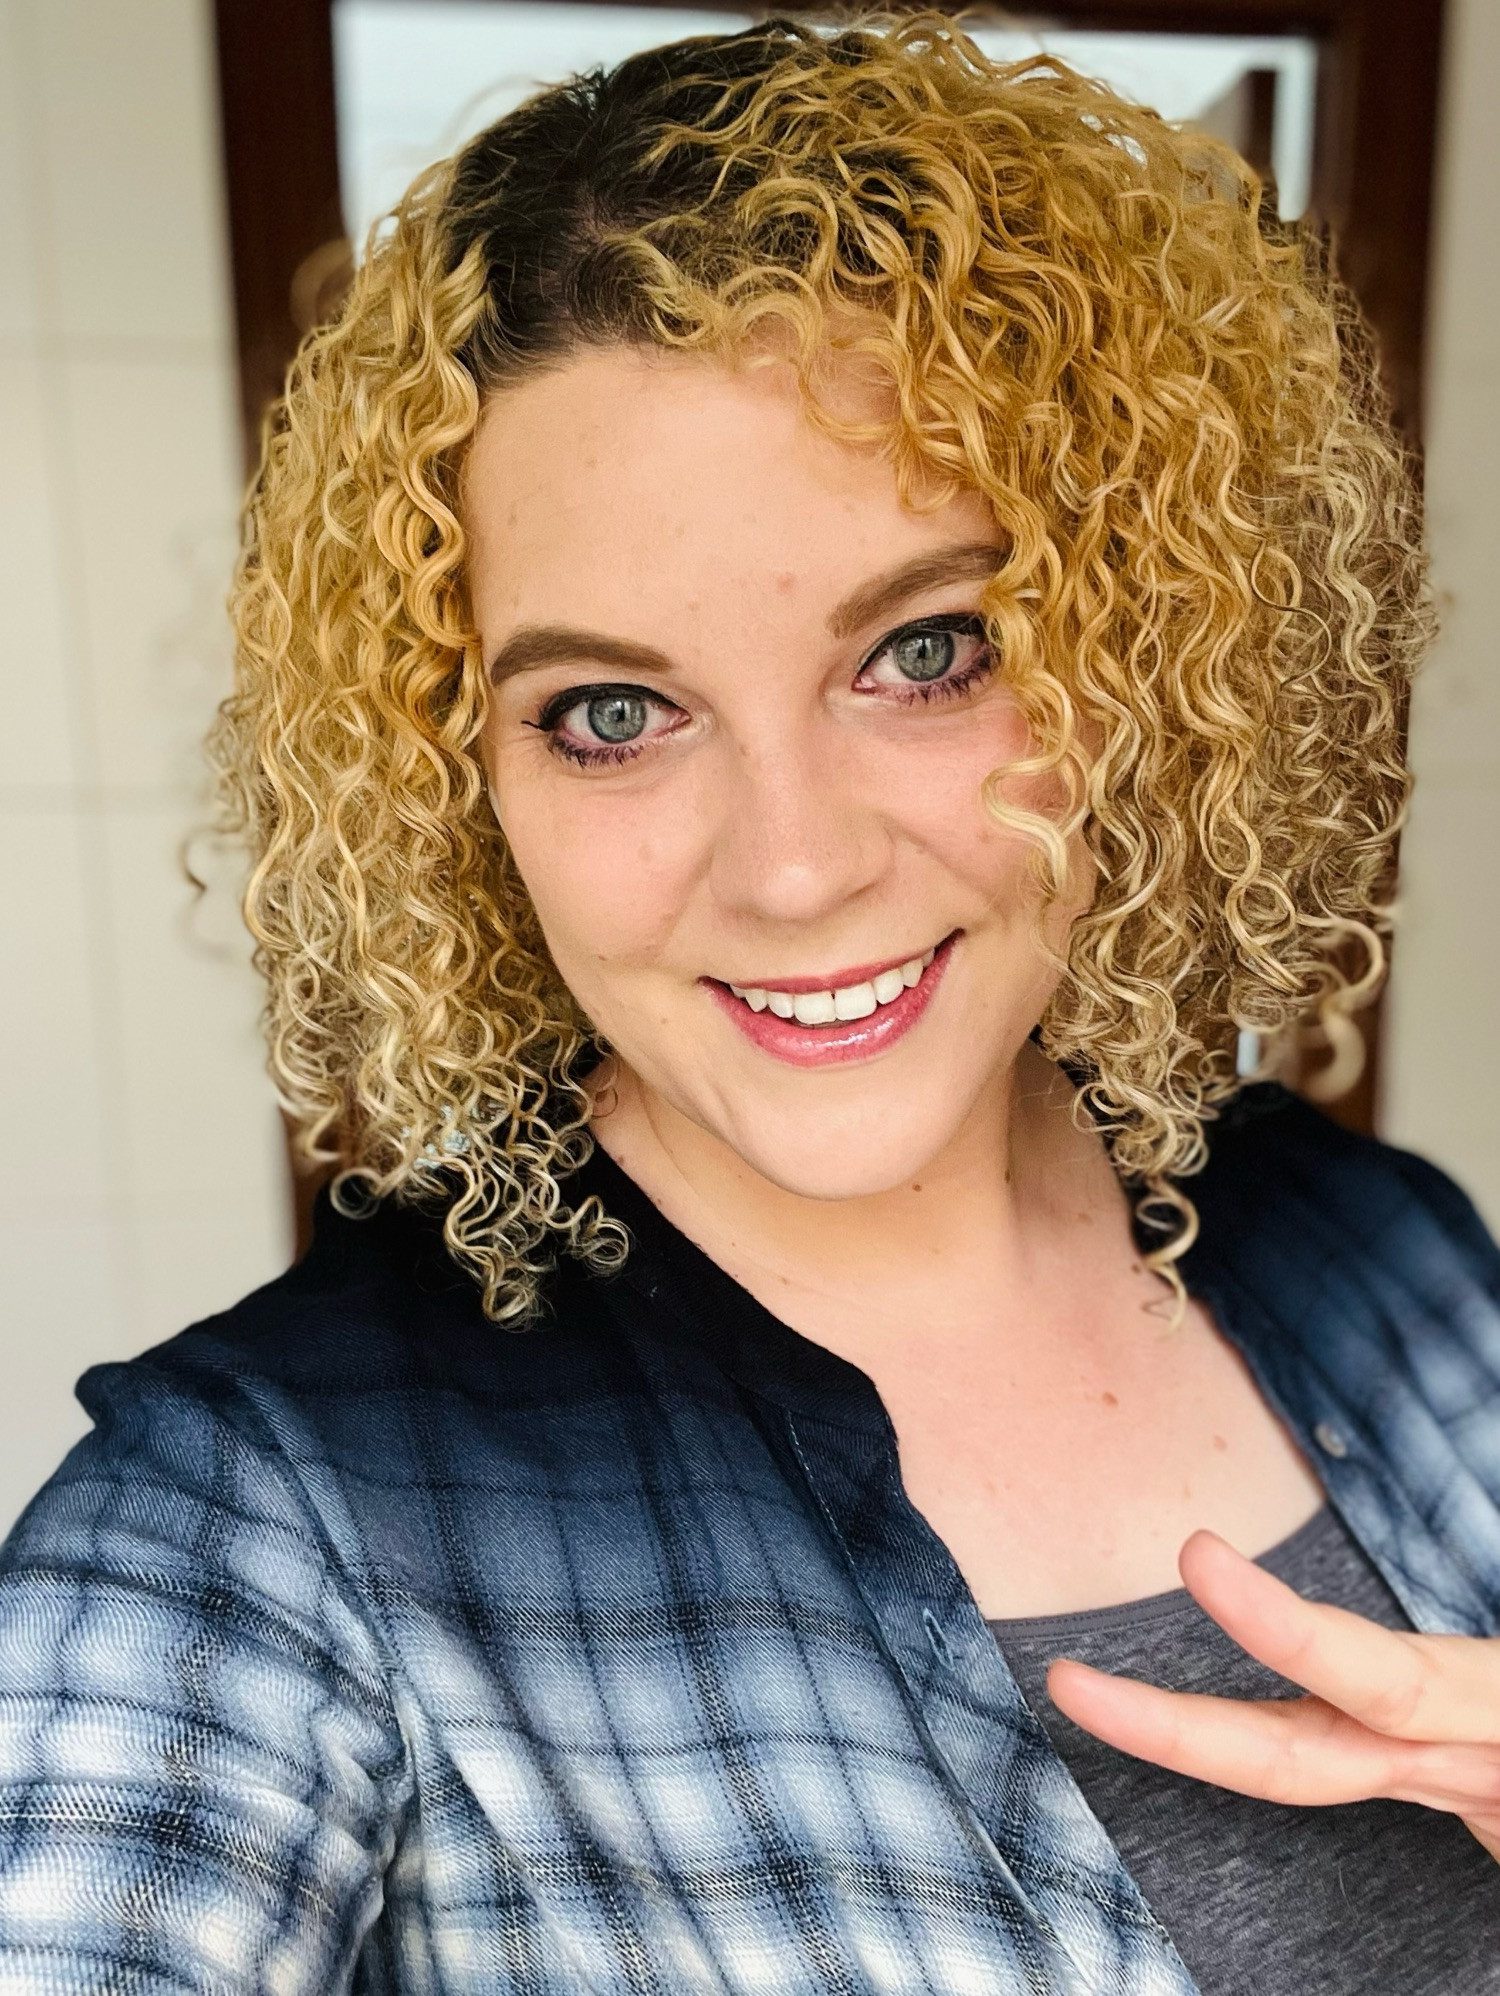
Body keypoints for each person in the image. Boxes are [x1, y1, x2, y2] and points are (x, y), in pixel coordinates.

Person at [1, 14, 1497, 1992]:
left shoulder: (1386, 1250)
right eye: (611, 713)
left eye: (930, 649)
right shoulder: (264, 1524)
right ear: (468, 778)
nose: (791, 867)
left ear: (1145, 650)